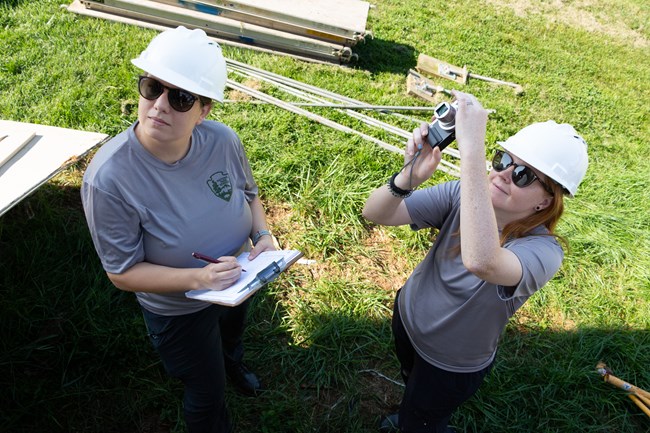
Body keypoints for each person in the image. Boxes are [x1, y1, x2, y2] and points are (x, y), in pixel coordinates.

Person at [81, 26, 276, 433]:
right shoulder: (110, 178)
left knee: (230, 337)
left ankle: (231, 362)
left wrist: (261, 236)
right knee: (205, 392)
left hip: (238, 278)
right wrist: (199, 278)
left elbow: (250, 194)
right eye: (152, 87)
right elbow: (122, 273)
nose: (159, 106)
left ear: (204, 111)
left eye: (181, 97)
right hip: (178, 309)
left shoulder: (223, 141)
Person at [363, 91, 588, 433]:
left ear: (546, 201)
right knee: (411, 384)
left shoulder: (544, 252)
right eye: (501, 160)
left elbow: (481, 261)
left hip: (450, 364)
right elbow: (375, 213)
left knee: (422, 420)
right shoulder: (459, 195)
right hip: (408, 319)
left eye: (524, 174)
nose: (502, 174)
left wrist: (472, 153)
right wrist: (409, 177)